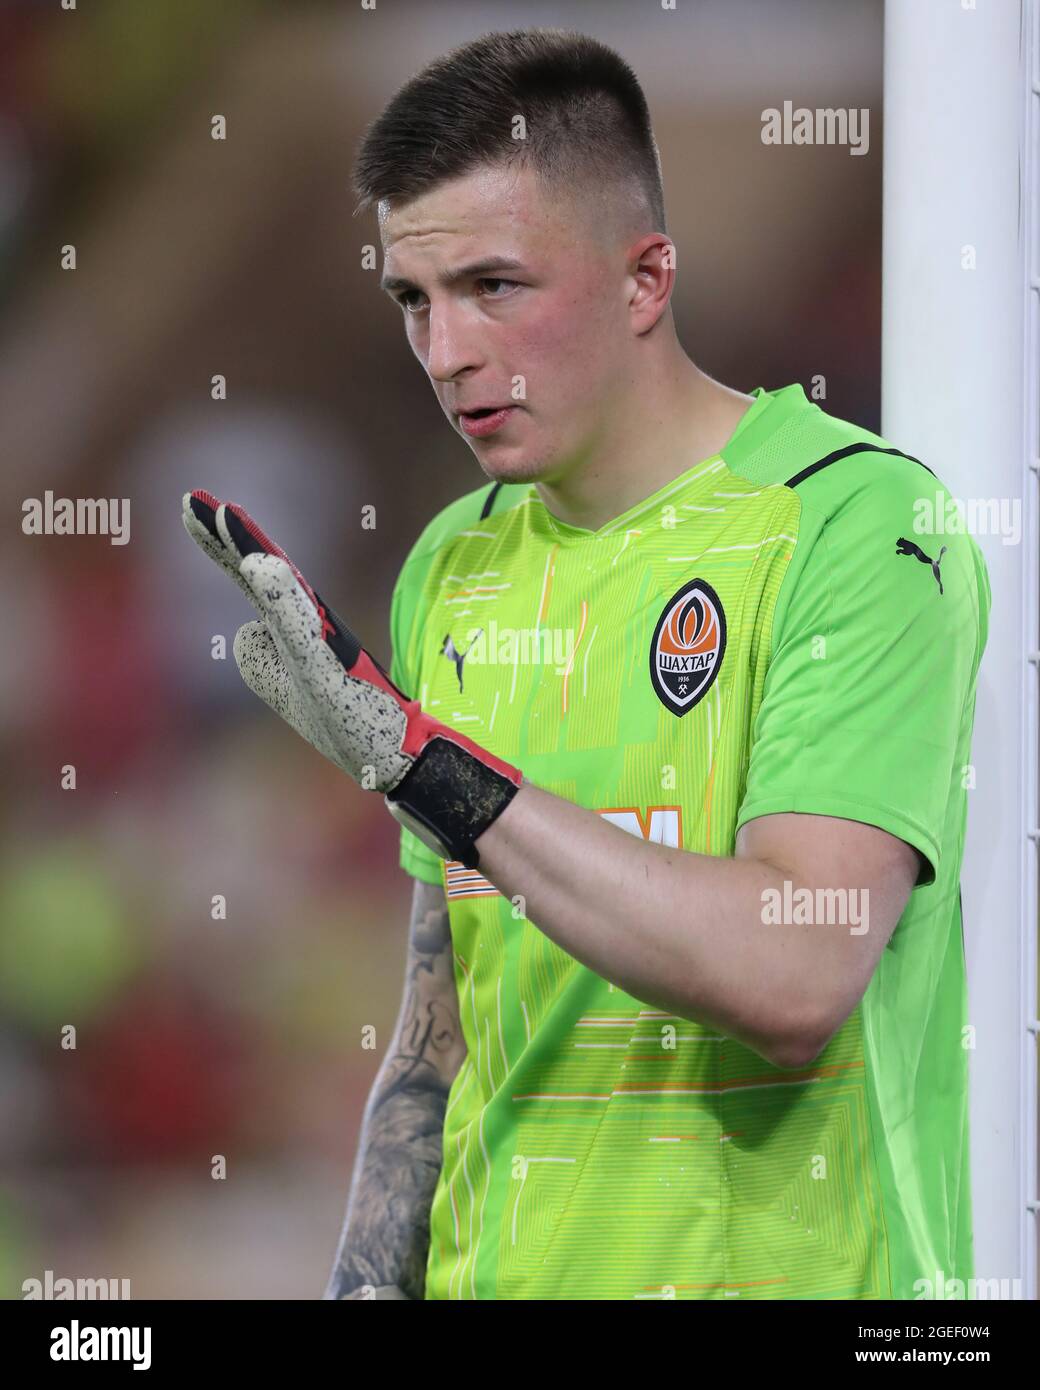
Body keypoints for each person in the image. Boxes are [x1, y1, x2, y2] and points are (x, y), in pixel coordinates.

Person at [313, 28, 990, 1300]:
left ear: (645, 278)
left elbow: (796, 970)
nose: (447, 351)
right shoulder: (450, 565)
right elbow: (439, 1032)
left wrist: (428, 768)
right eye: (415, 299)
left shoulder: (854, 524)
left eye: (495, 286)